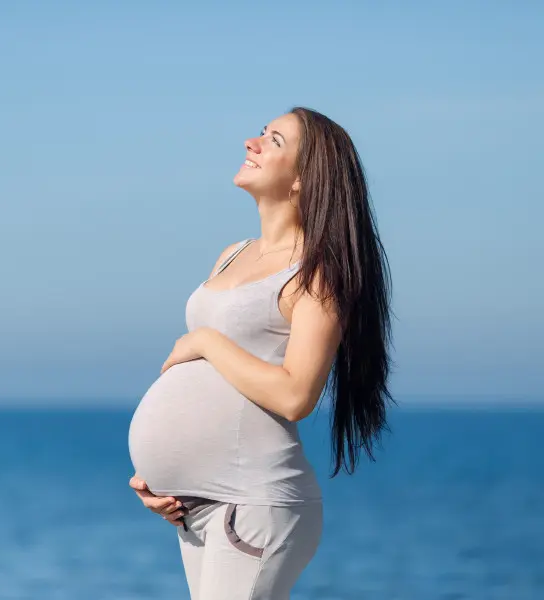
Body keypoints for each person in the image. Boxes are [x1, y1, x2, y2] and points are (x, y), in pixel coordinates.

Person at [127, 106, 393, 600]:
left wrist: (206, 342)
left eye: (273, 141)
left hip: (252, 503)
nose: (251, 141)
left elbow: (296, 394)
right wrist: (159, 476)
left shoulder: (317, 273)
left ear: (301, 181)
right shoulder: (232, 253)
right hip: (195, 507)